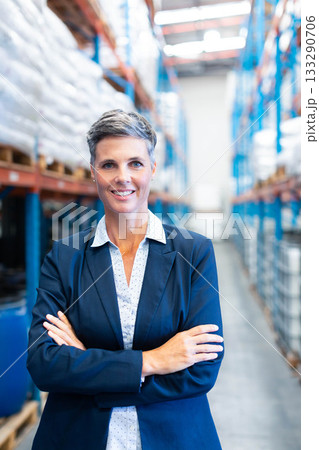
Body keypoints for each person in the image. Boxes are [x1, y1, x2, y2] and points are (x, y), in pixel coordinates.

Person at [27, 109, 224, 450]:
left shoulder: (194, 253)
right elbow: (44, 363)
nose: (122, 177)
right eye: (109, 165)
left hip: (172, 436)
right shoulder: (65, 257)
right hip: (79, 436)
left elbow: (201, 370)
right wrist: (154, 361)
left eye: (135, 163)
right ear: (93, 173)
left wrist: (88, 362)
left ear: (152, 169)